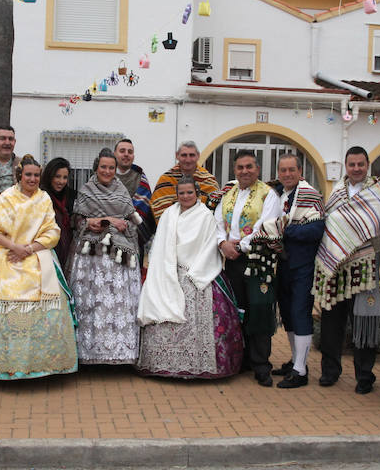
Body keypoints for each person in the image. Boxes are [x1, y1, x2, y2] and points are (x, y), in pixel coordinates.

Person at [0, 155, 77, 380]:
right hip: (6, 254)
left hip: (36, 254)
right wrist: (15, 248)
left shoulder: (44, 198)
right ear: (20, 175)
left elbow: (52, 231)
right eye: (28, 174)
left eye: (36, 175)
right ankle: (1, 366)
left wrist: (30, 249)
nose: (33, 178)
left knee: (52, 305)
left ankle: (44, 363)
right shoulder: (7, 197)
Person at [136, 177, 244, 378]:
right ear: (176, 195)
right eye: (181, 193)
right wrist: (164, 272)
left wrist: (194, 273)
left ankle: (202, 365)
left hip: (198, 272)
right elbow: (160, 246)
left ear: (197, 193)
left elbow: (209, 246)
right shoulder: (169, 214)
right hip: (168, 270)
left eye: (189, 192)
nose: (185, 196)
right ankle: (162, 364)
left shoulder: (206, 216)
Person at [313, 147, 380, 394]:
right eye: (352, 164)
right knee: (332, 322)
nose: (356, 168)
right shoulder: (336, 191)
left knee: (364, 321)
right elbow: (329, 222)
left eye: (360, 164)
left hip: (364, 266)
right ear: (346, 165)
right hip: (336, 267)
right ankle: (330, 372)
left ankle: (364, 376)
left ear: (368, 165)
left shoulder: (377, 191)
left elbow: (375, 223)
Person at [214, 150, 282, 386]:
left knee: (260, 310)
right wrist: (222, 243)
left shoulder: (268, 194)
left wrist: (240, 246)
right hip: (232, 260)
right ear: (234, 170)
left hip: (258, 259)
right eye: (240, 167)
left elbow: (266, 225)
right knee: (237, 310)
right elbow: (217, 222)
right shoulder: (228, 193)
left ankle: (261, 365)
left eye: (249, 166)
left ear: (258, 169)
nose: (245, 171)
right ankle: (241, 359)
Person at [69, 148, 143, 364]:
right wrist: (96, 222)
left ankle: (121, 353)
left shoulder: (123, 193)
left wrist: (123, 224)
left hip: (119, 257)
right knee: (93, 304)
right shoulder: (85, 191)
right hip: (92, 257)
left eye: (111, 167)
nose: (108, 171)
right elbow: (77, 222)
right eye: (104, 167)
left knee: (118, 306)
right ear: (96, 167)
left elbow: (136, 223)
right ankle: (90, 353)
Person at [261, 154, 325, 389]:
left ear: (300, 172)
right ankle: (296, 361)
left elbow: (316, 229)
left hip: (303, 265)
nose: (287, 174)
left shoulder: (310, 196)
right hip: (283, 264)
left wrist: (285, 231)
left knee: (300, 313)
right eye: (283, 170)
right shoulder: (276, 194)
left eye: (291, 170)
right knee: (287, 314)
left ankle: (301, 370)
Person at [151, 141, 219, 223]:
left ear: (198, 156)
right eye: (184, 155)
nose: (188, 160)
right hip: (172, 229)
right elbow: (160, 209)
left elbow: (215, 209)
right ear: (177, 156)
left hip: (201, 229)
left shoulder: (209, 180)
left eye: (192, 155)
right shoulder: (166, 179)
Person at [114, 139, 156, 249]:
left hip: (135, 237)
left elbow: (146, 210)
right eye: (122, 151)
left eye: (130, 152)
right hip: (108, 236)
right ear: (115, 154)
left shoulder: (141, 178)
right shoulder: (106, 175)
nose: (126, 154)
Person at [40, 157, 77, 268]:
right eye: (57, 176)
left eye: (65, 177)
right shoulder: (41, 196)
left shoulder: (72, 196)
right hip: (47, 250)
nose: (61, 181)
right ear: (49, 176)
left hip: (67, 249)